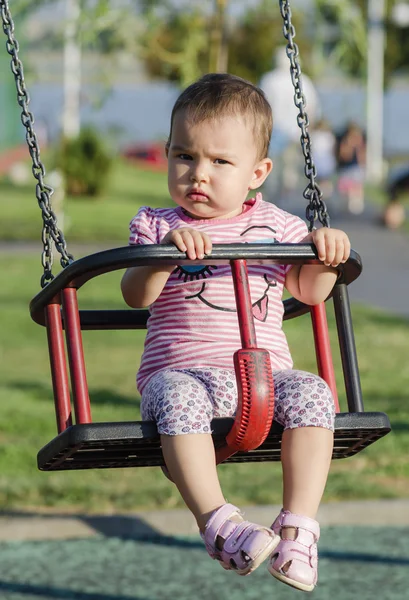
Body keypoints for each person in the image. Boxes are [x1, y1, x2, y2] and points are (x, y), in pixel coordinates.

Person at [121, 73, 350, 592]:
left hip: (265, 380)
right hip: (181, 376)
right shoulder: (156, 224)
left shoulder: (278, 226)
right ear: (167, 155)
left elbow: (310, 290)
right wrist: (164, 256)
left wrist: (327, 251)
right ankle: (218, 523)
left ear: (257, 172)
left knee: (316, 393)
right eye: (184, 156)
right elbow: (136, 295)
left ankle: (297, 529)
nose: (199, 174)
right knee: (178, 398)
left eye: (220, 162)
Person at [259, 47, 321, 203]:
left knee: (272, 169)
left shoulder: (269, 80)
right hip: (294, 133)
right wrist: (308, 131)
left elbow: (260, 107)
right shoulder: (303, 81)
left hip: (273, 132)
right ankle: (286, 198)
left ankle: (273, 200)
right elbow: (311, 108)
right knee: (290, 170)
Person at [336, 122, 366, 214]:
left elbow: (362, 154)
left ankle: (356, 204)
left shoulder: (360, 141)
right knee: (347, 188)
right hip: (347, 167)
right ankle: (349, 204)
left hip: (356, 167)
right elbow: (344, 155)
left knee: (356, 186)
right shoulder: (345, 141)